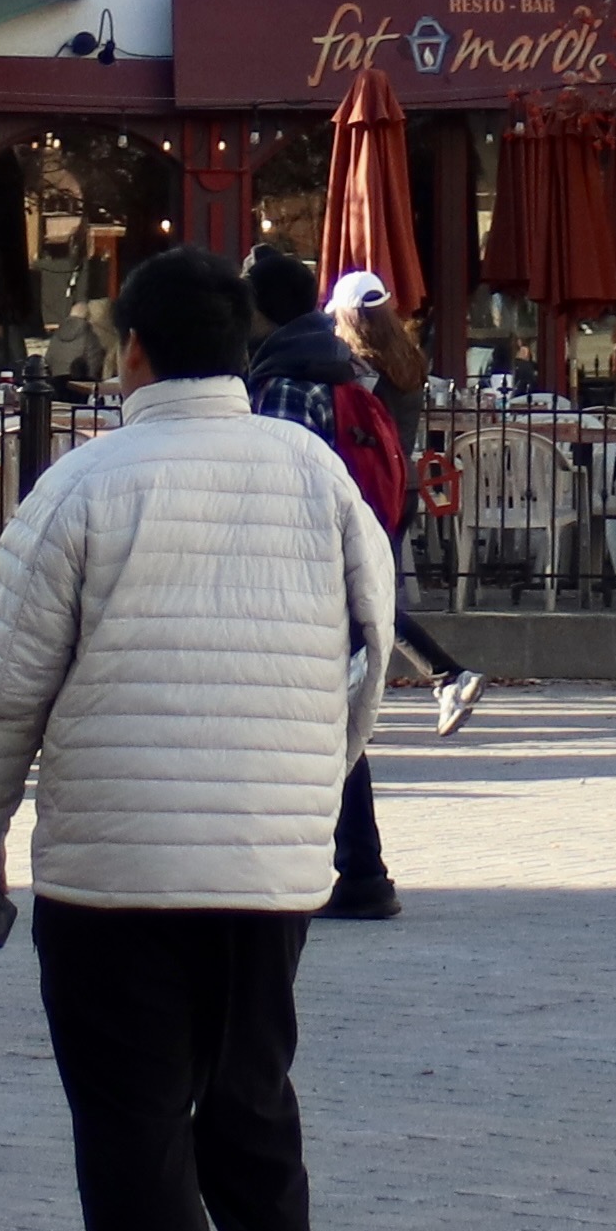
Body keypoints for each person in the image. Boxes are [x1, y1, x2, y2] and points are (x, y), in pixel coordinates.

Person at [0, 248, 390, 1231]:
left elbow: (3, 687)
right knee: (250, 1088)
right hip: (266, 857)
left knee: (131, 1112)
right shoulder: (312, 471)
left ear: (131, 350)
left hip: (113, 861)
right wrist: (320, 773)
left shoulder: (85, 484)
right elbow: (374, 638)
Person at [238, 253, 409, 919]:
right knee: (325, 714)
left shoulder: (286, 376)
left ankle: (354, 868)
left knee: (311, 719)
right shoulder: (330, 362)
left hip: (300, 572)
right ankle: (357, 868)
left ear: (260, 310)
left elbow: (277, 482)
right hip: (343, 561)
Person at [330, 277, 492, 737]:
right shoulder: (408, 360)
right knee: (368, 597)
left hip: (365, 491)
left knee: (366, 599)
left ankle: (446, 675)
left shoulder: (357, 368)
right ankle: (409, 683)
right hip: (400, 488)